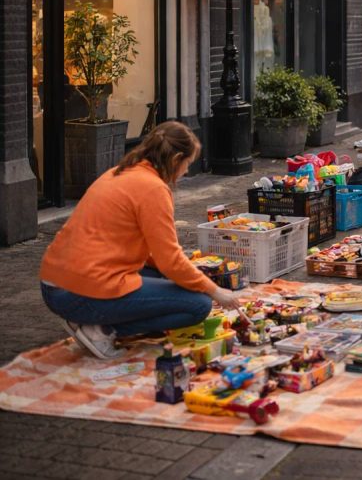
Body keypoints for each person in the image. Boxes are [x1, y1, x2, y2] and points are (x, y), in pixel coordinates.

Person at [39, 122, 244, 359]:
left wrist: (188, 276)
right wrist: (215, 290)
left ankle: (93, 320)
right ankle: (101, 329)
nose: (187, 170)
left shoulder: (120, 172)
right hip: (77, 293)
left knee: (174, 279)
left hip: (56, 283)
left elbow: (159, 258)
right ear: (176, 159)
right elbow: (170, 260)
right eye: (188, 163)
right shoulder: (153, 189)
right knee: (198, 305)